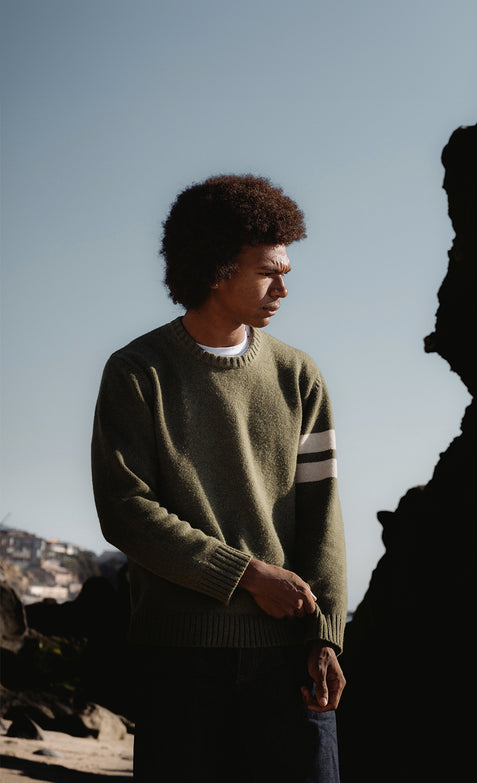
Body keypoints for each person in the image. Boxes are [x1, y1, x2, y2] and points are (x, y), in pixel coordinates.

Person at [91, 174, 348, 783]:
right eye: (268, 271)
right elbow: (126, 509)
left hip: (290, 657)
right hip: (180, 663)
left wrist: (326, 635)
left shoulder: (298, 376)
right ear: (215, 269)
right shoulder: (137, 372)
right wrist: (247, 575)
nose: (284, 286)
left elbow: (323, 514)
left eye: (285, 268)